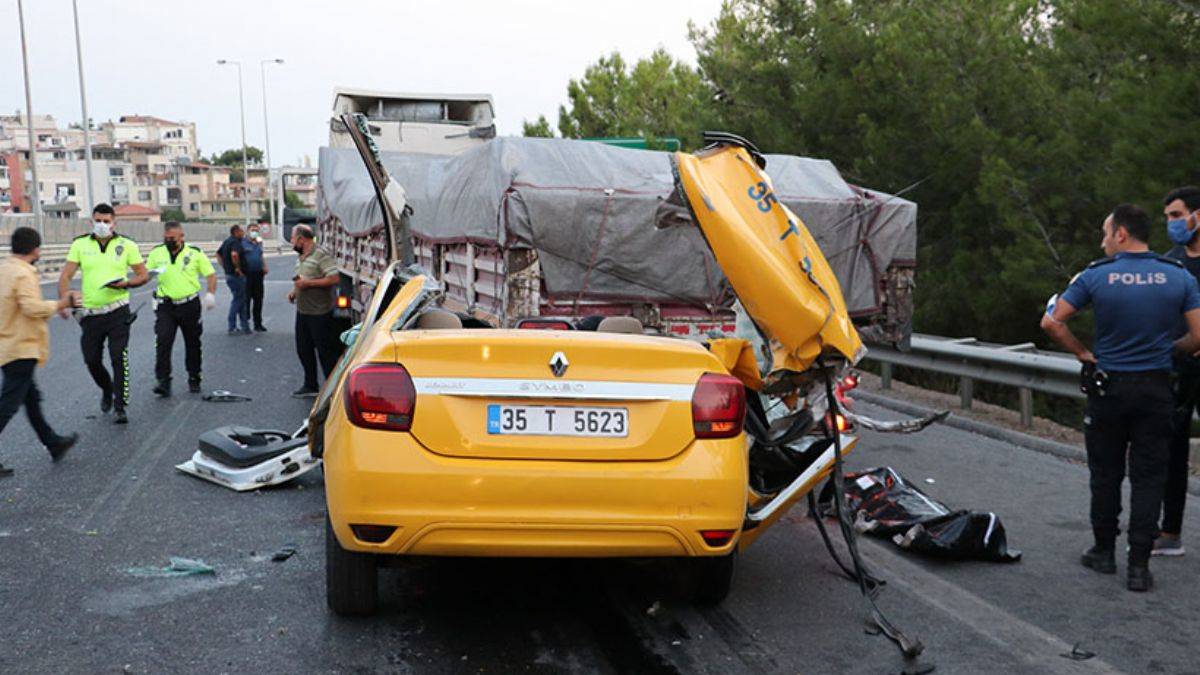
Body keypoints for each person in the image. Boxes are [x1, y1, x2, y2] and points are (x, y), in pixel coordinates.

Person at [1041, 204, 1200, 592]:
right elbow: (1199, 336)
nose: (1103, 242)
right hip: (1156, 388)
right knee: (1149, 477)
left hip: (1109, 387)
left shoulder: (1096, 275)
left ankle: (1103, 552)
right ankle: (1139, 566)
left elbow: (1052, 322)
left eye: (1105, 233)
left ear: (1122, 234)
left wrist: (1083, 353)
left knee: (1106, 472)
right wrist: (1171, 350)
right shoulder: (1177, 275)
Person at [58, 203, 149, 425]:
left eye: (106, 221)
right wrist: (64, 300)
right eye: (98, 220)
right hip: (91, 315)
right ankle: (107, 389)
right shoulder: (80, 244)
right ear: (91, 221)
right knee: (92, 360)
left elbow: (143, 275)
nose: (101, 225)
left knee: (119, 356)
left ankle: (120, 406)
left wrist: (126, 284)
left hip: (118, 311)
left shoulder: (126, 245)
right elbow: (66, 275)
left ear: (114, 223)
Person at [0, 227, 80, 476]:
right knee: (8, 404)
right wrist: (61, 303)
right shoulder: (23, 273)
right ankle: (53, 442)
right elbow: (31, 308)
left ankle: (53, 443)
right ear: (36, 249)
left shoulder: (4, 269)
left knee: (31, 399)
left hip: (8, 344)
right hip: (21, 347)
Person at [1158, 185, 1200, 556]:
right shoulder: (1170, 263)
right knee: (1172, 452)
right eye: (1168, 217)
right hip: (1180, 369)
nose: (1171, 223)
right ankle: (1169, 533)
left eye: (1176, 215)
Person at [146, 222, 218, 397]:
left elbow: (210, 275)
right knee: (163, 341)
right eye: (166, 238)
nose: (169, 241)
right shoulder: (157, 252)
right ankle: (163, 380)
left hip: (189, 305)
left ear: (181, 236)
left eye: (172, 238)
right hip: (165, 305)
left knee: (192, 342)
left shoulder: (194, 253)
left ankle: (194, 376)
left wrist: (210, 293)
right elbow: (146, 274)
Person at [289, 224, 341, 398]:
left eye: (292, 238)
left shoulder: (321, 254)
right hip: (303, 311)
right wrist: (295, 291)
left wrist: (308, 284)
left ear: (301, 239)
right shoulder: (301, 257)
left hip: (320, 313)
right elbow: (302, 279)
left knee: (325, 353)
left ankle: (333, 389)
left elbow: (334, 278)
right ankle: (310, 385)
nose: (291, 242)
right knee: (303, 349)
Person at [216, 224, 250, 335]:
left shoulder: (227, 242)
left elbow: (218, 254)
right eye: (241, 231)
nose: (243, 233)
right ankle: (232, 325)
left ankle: (244, 325)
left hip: (229, 275)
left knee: (241, 300)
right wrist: (237, 268)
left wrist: (225, 267)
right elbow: (234, 255)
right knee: (238, 300)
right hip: (236, 276)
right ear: (236, 232)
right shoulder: (235, 242)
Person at [244, 221, 269, 332]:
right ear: (247, 231)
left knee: (258, 299)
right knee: (246, 299)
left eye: (256, 231)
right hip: (247, 274)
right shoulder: (242, 243)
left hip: (258, 274)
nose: (254, 232)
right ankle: (245, 322)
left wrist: (265, 265)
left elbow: (261, 255)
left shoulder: (259, 243)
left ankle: (258, 323)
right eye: (253, 230)